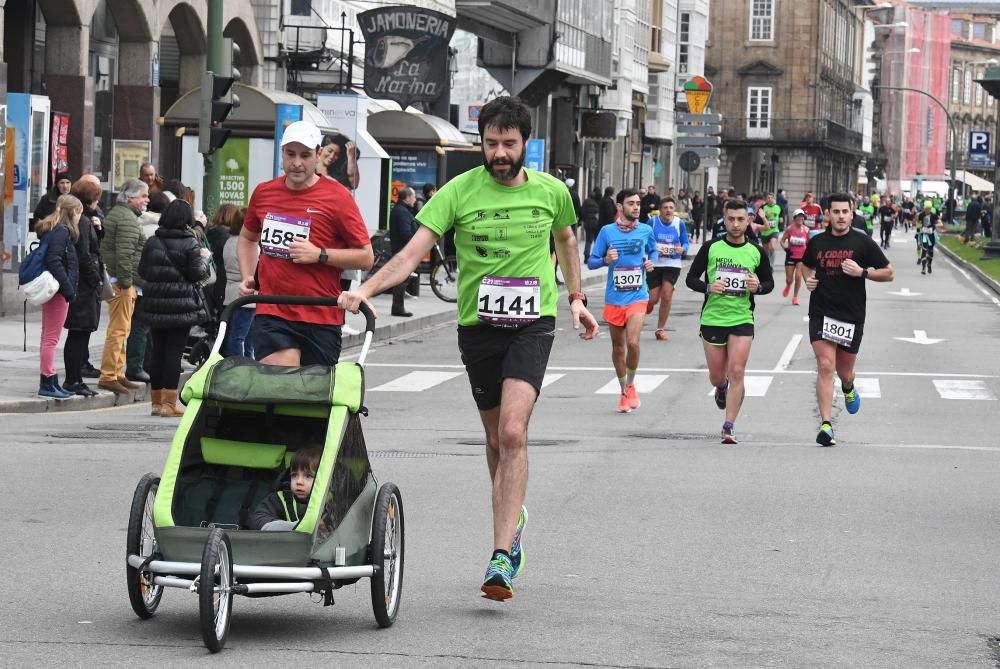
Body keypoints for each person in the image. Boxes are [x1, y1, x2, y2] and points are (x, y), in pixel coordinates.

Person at [337, 96, 599, 602]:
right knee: (496, 441)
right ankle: (512, 511)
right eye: (492, 143)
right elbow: (413, 253)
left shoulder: (550, 192)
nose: (500, 153)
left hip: (531, 323)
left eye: (509, 144)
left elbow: (566, 240)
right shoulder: (458, 192)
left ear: (525, 145)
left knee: (514, 430)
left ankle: (501, 555)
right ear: (481, 142)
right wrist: (365, 291)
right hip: (478, 328)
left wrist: (575, 298)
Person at [237, 120, 374, 366]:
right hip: (273, 310)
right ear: (282, 154)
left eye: (305, 155)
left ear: (318, 155)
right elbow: (248, 237)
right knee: (282, 387)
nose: (296, 163)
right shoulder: (264, 192)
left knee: (311, 398)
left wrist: (320, 254)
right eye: (290, 154)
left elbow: (366, 257)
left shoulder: (337, 196)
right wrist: (249, 276)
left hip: (321, 313)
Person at [801, 193, 893, 447]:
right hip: (821, 311)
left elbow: (889, 273)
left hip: (851, 315)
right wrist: (808, 280)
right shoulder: (817, 242)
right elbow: (805, 264)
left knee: (844, 371)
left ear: (852, 214)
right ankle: (826, 425)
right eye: (836, 212)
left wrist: (863, 272)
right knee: (825, 365)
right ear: (827, 215)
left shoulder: (862, 243)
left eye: (845, 212)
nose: (840, 216)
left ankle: (849, 386)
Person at [685, 199, 774, 445]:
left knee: (737, 371)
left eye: (740, 219)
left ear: (748, 221)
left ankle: (729, 425)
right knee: (717, 376)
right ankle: (721, 387)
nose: (736, 224)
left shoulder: (756, 251)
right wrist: (708, 287)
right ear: (724, 220)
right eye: (731, 219)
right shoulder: (711, 247)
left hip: (742, 318)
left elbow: (768, 283)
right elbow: (691, 279)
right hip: (713, 318)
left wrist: (758, 287)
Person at [137, 200, 212, 417]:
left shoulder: (153, 242)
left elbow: (143, 271)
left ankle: (156, 402)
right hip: (181, 306)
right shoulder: (190, 243)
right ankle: (169, 404)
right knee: (173, 354)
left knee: (158, 352)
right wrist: (205, 260)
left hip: (155, 304)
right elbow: (197, 274)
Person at [587, 188, 657, 412]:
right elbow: (591, 261)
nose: (636, 207)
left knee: (633, 343)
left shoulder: (646, 230)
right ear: (619, 207)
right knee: (618, 348)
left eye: (638, 203)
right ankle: (623, 391)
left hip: (638, 295)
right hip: (615, 297)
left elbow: (653, 252)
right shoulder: (607, 232)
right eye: (631, 203)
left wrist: (649, 262)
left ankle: (631, 384)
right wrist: (606, 259)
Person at [98, 178, 149, 395]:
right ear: (130, 198)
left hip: (122, 281)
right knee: (119, 330)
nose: (147, 200)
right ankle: (109, 375)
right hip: (122, 283)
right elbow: (124, 254)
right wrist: (127, 283)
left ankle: (118, 373)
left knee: (122, 329)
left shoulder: (123, 215)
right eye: (143, 196)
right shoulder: (127, 219)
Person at [36, 195, 82, 399]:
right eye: (79, 212)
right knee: (51, 338)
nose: (80, 217)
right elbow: (55, 260)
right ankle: (47, 381)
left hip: (54, 290)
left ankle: (49, 380)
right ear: (72, 213)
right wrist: (68, 288)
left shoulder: (53, 230)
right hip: (58, 291)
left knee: (47, 335)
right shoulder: (62, 232)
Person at [62, 179, 105, 397]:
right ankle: (73, 379)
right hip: (84, 286)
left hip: (80, 283)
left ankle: (76, 378)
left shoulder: (85, 220)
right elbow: (86, 255)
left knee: (80, 333)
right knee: (79, 333)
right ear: (92, 198)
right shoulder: (83, 221)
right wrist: (97, 279)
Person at [644, 196, 689, 341]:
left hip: (672, 264)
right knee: (653, 299)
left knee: (667, 295)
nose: (668, 210)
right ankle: (648, 304)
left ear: (674, 209)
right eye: (665, 208)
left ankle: (660, 329)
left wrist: (683, 250)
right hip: (655, 264)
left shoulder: (679, 223)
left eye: (671, 207)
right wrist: (654, 250)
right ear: (660, 210)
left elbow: (685, 242)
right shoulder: (652, 222)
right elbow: (643, 241)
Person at [247, 448, 322, 531]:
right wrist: (295, 527)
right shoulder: (279, 499)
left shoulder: (331, 504)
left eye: (308, 476)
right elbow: (257, 519)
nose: (299, 482)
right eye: (294, 475)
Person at [221, 206, 255, 358]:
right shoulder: (248, 245)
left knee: (239, 336)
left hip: (231, 294)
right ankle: (241, 367)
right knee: (242, 337)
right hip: (247, 296)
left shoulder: (229, 241)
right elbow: (253, 272)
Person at [389, 187, 418, 317]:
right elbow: (405, 233)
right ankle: (398, 307)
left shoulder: (401, 210)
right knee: (401, 279)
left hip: (401, 250)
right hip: (403, 251)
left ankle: (398, 307)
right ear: (407, 198)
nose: (415, 199)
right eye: (414, 196)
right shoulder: (402, 212)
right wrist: (418, 242)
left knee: (402, 279)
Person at [779, 209, 810, 305]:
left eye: (802, 217)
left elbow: (810, 242)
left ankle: (795, 297)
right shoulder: (790, 229)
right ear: (794, 218)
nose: (800, 218)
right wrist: (785, 249)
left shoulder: (806, 230)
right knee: (789, 279)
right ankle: (788, 285)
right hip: (791, 256)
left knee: (798, 277)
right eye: (798, 217)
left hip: (802, 257)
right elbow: (782, 241)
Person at [759, 192, 782, 265]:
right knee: (766, 251)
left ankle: (771, 264)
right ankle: (767, 263)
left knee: (772, 247)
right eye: (768, 198)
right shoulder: (763, 207)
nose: (770, 199)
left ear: (774, 199)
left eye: (771, 198)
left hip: (774, 230)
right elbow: (758, 219)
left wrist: (781, 220)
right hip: (765, 231)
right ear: (766, 199)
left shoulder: (779, 207)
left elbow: (782, 216)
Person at [917, 203, 938, 275]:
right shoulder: (921, 215)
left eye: (929, 208)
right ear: (924, 208)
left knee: (931, 251)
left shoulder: (933, 215)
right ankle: (923, 268)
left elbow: (940, 223)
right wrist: (920, 228)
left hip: (931, 235)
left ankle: (929, 264)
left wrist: (934, 226)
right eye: (927, 208)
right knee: (924, 250)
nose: (928, 210)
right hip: (924, 235)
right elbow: (918, 223)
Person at [581, 187, 601, 258]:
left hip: (588, 223)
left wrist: (583, 220)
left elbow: (582, 212)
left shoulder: (587, 201)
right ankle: (596, 255)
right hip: (597, 223)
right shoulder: (600, 202)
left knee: (588, 240)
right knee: (597, 240)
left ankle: (586, 255)